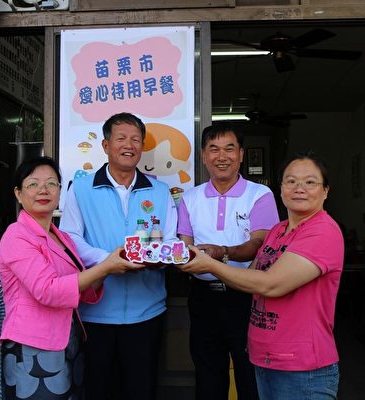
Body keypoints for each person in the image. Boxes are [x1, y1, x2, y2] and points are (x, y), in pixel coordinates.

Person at [178, 152, 344, 400]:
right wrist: (217, 257)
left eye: (310, 182)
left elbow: (270, 284)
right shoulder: (278, 230)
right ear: (281, 189)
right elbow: (251, 276)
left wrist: (211, 264)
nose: (299, 188)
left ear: (325, 191)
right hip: (265, 358)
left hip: (301, 367)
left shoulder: (322, 231)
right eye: (291, 181)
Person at [0, 156, 140, 400]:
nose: (43, 190)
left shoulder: (61, 237)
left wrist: (115, 265)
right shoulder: (17, 235)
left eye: (51, 183)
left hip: (68, 342)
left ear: (60, 191)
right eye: (33, 184)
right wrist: (106, 266)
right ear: (18, 194)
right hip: (33, 346)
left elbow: (79, 288)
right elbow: (48, 290)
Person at [59, 112, 178, 400]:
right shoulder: (81, 189)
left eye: (136, 140)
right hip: (96, 314)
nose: (129, 145)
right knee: (98, 390)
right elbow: (70, 239)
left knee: (141, 390)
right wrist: (107, 260)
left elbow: (170, 239)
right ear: (105, 145)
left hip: (147, 312)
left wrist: (160, 256)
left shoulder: (160, 192)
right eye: (121, 138)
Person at [177, 123, 279, 400]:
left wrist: (221, 252)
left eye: (229, 149)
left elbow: (259, 245)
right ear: (203, 156)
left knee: (250, 375)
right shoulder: (190, 198)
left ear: (241, 154)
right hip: (203, 298)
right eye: (214, 149)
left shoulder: (260, 195)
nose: (221, 156)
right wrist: (181, 258)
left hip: (246, 296)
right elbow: (185, 247)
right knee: (208, 375)